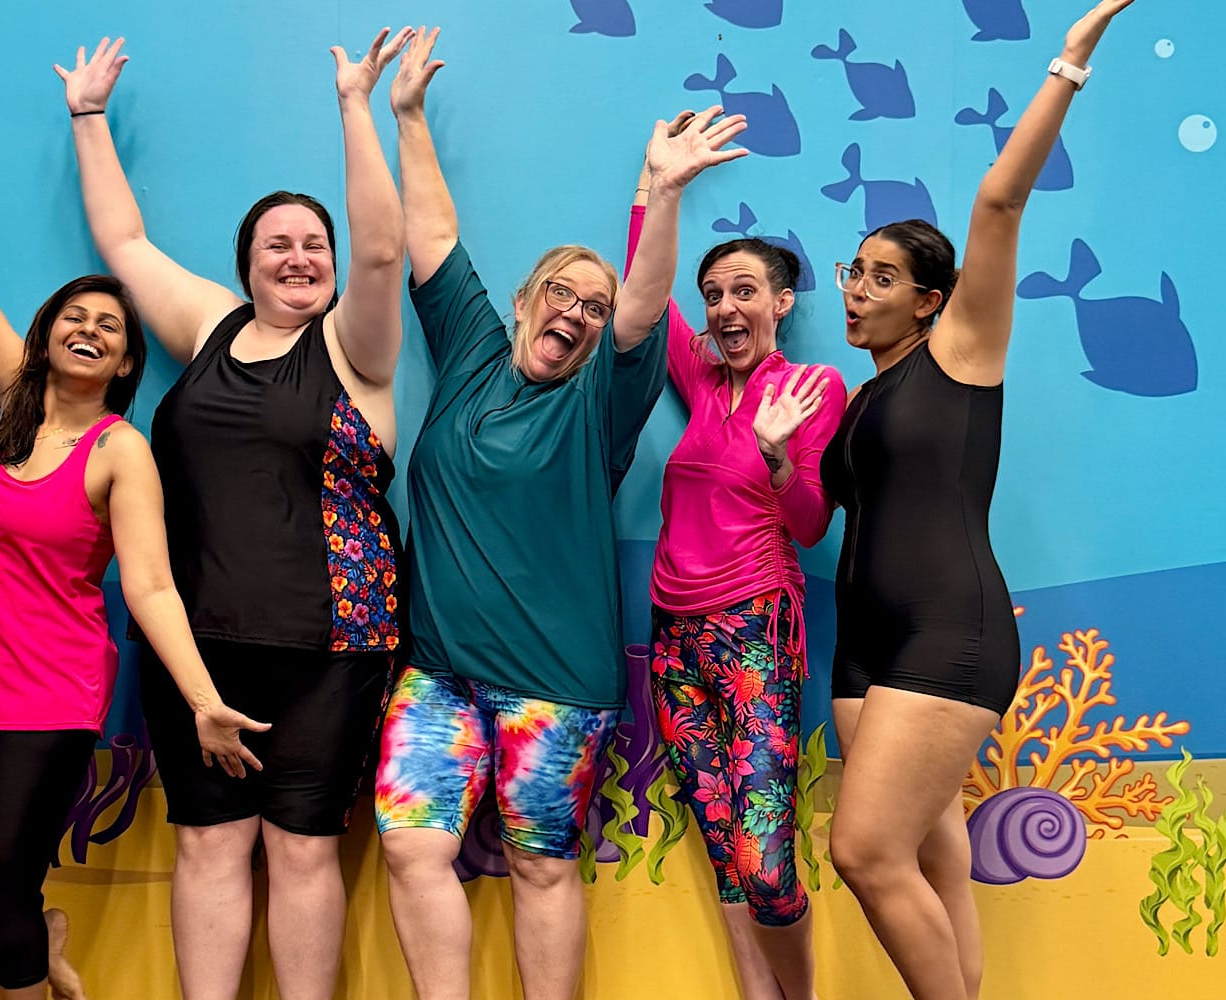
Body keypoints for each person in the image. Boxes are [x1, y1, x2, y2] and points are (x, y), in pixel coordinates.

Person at [0, 75, 267, 1000]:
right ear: (45, 341)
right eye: (74, 317)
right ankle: (32, 940)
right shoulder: (16, 406)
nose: (89, 327)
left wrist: (201, 699)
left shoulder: (121, 453)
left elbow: (151, 588)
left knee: (3, 878)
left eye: (109, 327)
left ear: (124, 363)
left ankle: (22, 945)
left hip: (49, 696)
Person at [371, 27, 748, 1000]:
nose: (577, 314)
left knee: (541, 863)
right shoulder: (467, 351)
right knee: (412, 850)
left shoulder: (598, 402)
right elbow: (433, 234)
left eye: (592, 306)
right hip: (435, 678)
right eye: (562, 296)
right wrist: (406, 116)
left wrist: (659, 193)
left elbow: (643, 307)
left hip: (553, 687)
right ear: (527, 299)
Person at [55, 28, 411, 1000]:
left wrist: (353, 106)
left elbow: (384, 247)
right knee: (209, 848)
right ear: (245, 265)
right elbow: (124, 243)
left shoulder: (355, 350)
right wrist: (88, 117)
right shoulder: (209, 325)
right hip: (194, 644)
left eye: (312, 245)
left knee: (300, 854)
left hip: (331, 649)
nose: (298, 258)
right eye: (276, 246)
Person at [817, 3, 1136, 998]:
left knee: (864, 853)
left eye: (879, 277)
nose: (855, 290)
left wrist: (1067, 64)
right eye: (850, 272)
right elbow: (822, 514)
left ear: (927, 299)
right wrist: (785, 461)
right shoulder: (859, 399)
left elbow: (996, 206)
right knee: (929, 854)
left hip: (944, 635)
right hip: (861, 650)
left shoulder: (958, 355)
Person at [629, 116, 845, 1000]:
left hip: (755, 625)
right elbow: (648, 291)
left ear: (782, 302)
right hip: (673, 636)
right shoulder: (700, 374)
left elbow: (809, 523)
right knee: (721, 842)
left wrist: (777, 453)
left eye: (744, 291)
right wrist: (654, 183)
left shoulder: (809, 388)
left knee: (764, 861)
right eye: (715, 293)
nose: (724, 309)